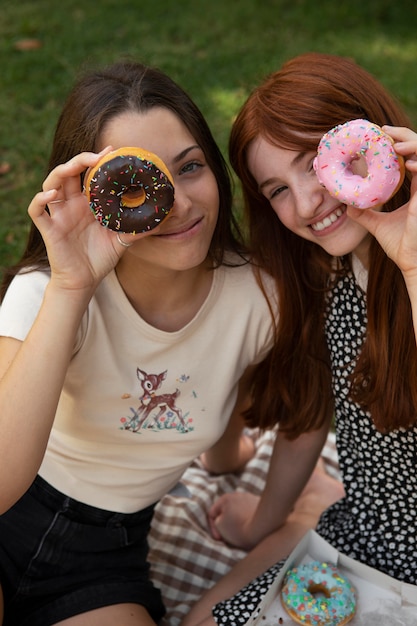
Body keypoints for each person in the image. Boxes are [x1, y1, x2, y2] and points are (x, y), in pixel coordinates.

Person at [0, 60, 283, 626]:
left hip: (106, 557)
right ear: (93, 195)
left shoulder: (260, 299)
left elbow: (228, 394)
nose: (178, 203)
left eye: (192, 167)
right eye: (140, 182)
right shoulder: (47, 292)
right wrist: (74, 285)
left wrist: (231, 461)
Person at [181, 52, 417, 626]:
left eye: (315, 164)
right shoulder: (330, 274)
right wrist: (267, 520)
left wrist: (412, 262)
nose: (307, 203)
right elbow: (311, 413)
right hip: (373, 531)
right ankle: (308, 512)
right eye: (276, 190)